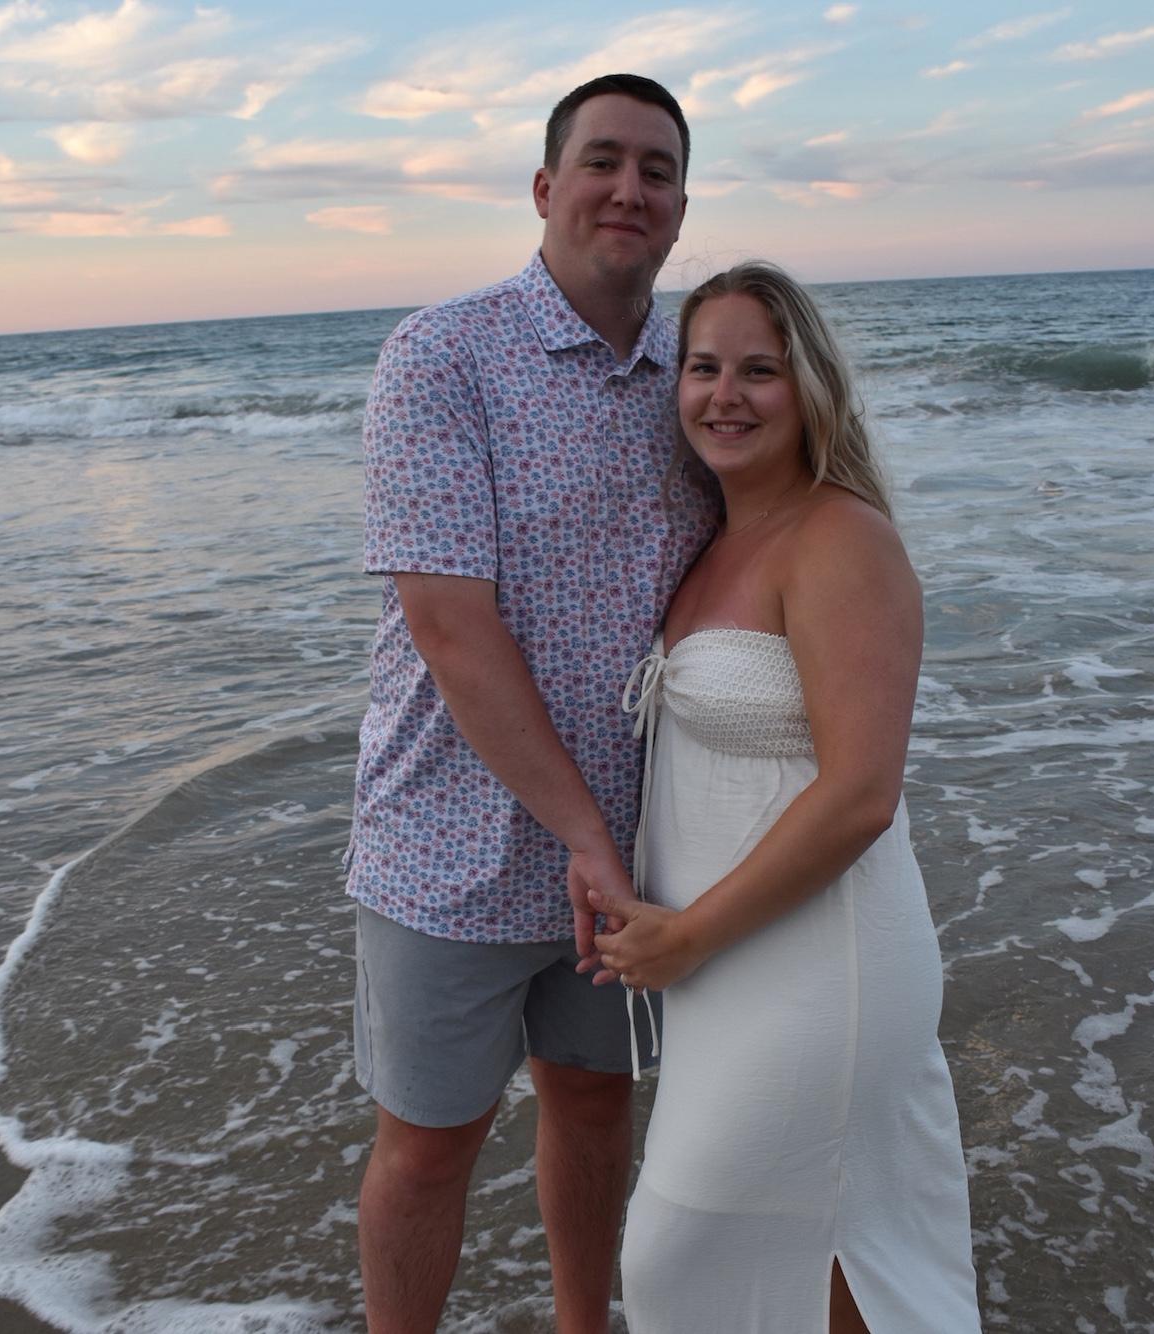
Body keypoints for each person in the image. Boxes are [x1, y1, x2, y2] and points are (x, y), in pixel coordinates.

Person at [345, 74, 716, 1332]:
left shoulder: (698, 374)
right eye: (602, 160)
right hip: (450, 842)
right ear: (545, 187)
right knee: (430, 1141)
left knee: (595, 1101)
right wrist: (579, 833)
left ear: (677, 209)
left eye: (656, 171)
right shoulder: (439, 355)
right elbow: (450, 625)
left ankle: (582, 1325)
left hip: (633, 843)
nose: (629, 188)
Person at [581, 263, 982, 1332]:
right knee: (804, 1242)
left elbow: (859, 794)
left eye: (759, 370)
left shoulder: (838, 537)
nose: (725, 394)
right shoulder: (710, 541)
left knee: (688, 1247)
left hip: (818, 967)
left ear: (810, 386)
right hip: (718, 963)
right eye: (702, 367)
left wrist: (687, 935)